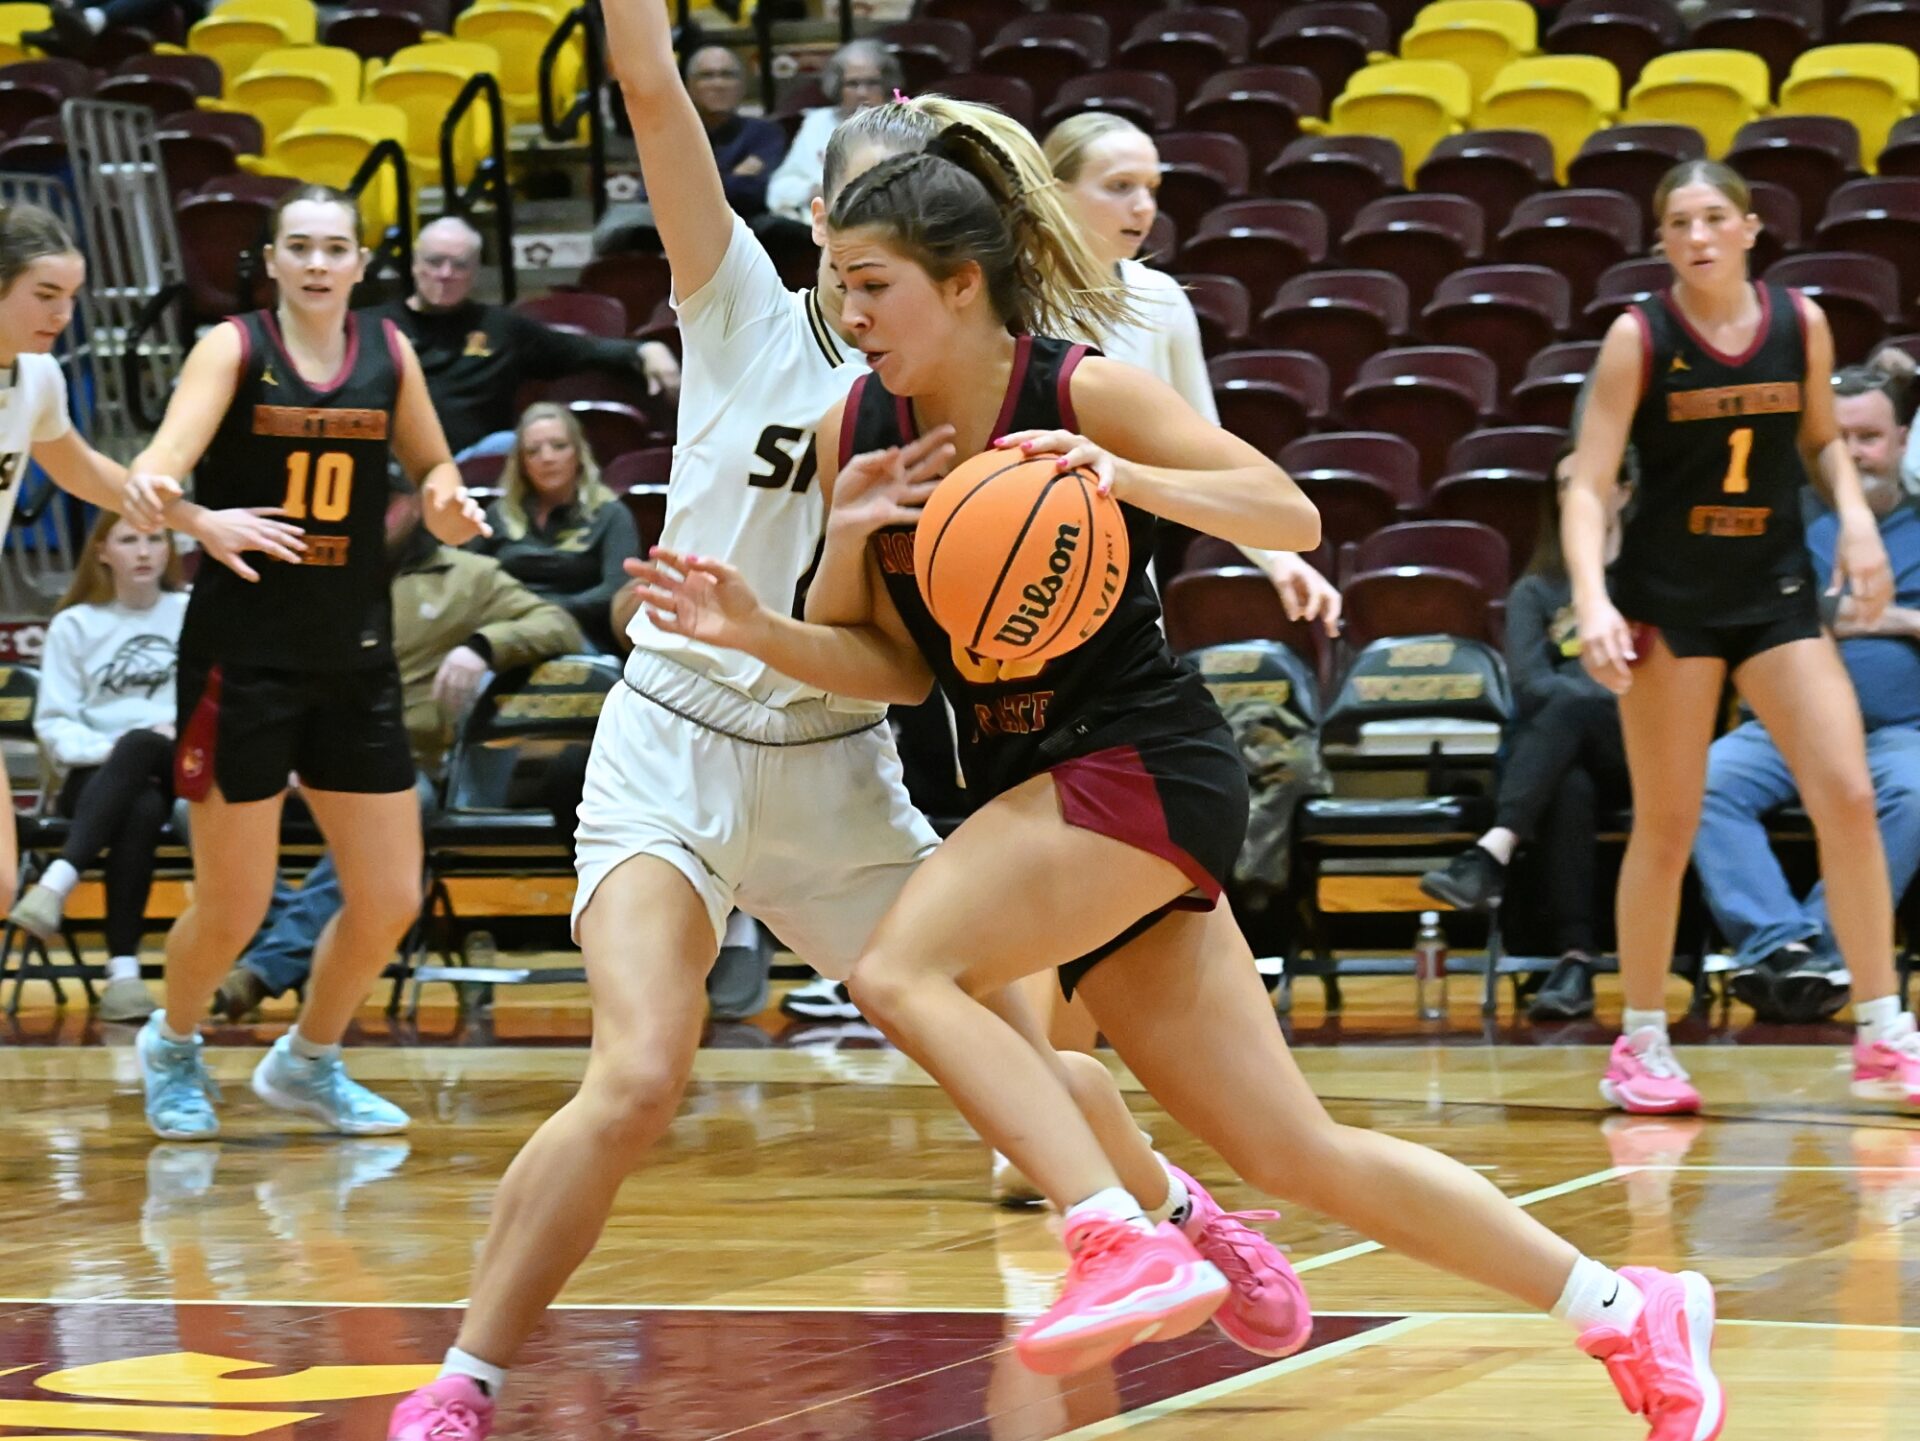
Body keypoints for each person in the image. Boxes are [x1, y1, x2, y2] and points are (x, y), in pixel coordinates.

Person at [630, 129, 1723, 1433]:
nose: (846, 311)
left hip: (1144, 756)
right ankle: (1622, 1306)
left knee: (905, 971)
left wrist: (1125, 473)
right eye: (839, 283)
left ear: (962, 283)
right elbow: (892, 666)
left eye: (873, 285)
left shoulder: (1081, 390)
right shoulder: (854, 425)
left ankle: (1119, 1229)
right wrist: (762, 623)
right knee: (1291, 1150)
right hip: (1037, 779)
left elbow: (1291, 516)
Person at [384, 6, 1308, 1433]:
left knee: (1023, 1052)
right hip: (676, 736)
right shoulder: (746, 305)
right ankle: (466, 1378)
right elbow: (645, 87)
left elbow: (927, 627)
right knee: (635, 1073)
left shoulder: (967, 372)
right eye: (842, 226)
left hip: (834, 758)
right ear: (816, 217)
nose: (860, 271)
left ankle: (1171, 1208)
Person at [124, 183, 490, 1143]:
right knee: (236, 903)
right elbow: (158, 468)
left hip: (354, 656)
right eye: (301, 247)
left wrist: (448, 501)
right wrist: (193, 510)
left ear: (362, 264)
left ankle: (310, 1060)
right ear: (274, 261)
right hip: (240, 660)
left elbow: (436, 465)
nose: (320, 263)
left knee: (389, 898)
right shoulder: (233, 348)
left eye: (337, 247)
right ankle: (172, 1042)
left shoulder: (389, 350)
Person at [1563, 159, 1920, 1115]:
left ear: (1751, 226)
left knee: (1847, 792)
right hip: (1668, 602)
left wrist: (1849, 514)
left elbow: (1817, 442)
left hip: (1773, 591)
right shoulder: (1639, 337)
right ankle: (1640, 1040)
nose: (1698, 235)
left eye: (1715, 216)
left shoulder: (1799, 322)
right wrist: (1593, 599)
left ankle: (1882, 1028)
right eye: (1678, 221)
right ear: (1662, 239)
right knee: (1669, 821)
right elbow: (1588, 483)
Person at [0, 200, 287, 924]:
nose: (63, 314)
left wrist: (195, 520)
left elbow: (86, 471)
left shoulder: (36, 380)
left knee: (2, 885)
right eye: (44, 295)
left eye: (71, 296)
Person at [212, 472, 585, 1020]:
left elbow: (558, 625)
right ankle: (302, 954)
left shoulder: (469, 576)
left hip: (402, 764)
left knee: (404, 808)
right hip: (307, 756)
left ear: (414, 505)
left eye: (384, 503)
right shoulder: (314, 571)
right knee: (196, 805)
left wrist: (484, 645)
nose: (371, 515)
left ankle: (266, 970)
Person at [1692, 365, 1920, 1022]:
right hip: (1782, 726)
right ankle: (1782, 944)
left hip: (1897, 732)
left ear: (1901, 439)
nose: (1853, 453)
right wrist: (1884, 613)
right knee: (1703, 781)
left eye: (1870, 436)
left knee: (1912, 792)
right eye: (1839, 436)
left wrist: (1876, 615)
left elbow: (1810, 611)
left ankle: (1818, 951)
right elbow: (1750, 606)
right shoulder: (1777, 521)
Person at [1421, 466, 1629, 1022]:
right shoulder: (1537, 589)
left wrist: (1587, 700)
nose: (1574, 495)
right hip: (1563, 755)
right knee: (1571, 787)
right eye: (1562, 485)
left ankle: (1494, 848)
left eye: (1586, 480)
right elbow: (1528, 684)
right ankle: (1574, 961)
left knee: (1572, 706)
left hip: (1636, 746)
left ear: (1626, 492)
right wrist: (1587, 695)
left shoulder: (1647, 581)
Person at [9, 512, 186, 1022]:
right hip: (97, 779)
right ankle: (124, 978)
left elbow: (215, 700)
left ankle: (55, 885)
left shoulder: (191, 612)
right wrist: (117, 753)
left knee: (146, 755)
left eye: (156, 539)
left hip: (181, 769)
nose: (145, 551)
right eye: (129, 540)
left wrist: (162, 738)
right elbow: (56, 724)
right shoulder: (75, 624)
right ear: (103, 552)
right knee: (139, 802)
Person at [367, 216, 679, 461]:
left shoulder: (501, 328)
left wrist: (647, 350)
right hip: (395, 467)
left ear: (475, 271)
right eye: (435, 261)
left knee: (514, 445)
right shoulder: (372, 327)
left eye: (459, 264)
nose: (445, 273)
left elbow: (582, 350)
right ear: (414, 264)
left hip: (478, 465)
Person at [471, 404, 637, 653]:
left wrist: (542, 611)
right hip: (507, 630)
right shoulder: (499, 514)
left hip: (583, 632)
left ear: (579, 453)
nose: (547, 458)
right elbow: (471, 577)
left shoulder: (612, 513)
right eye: (533, 451)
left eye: (559, 446)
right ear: (522, 463)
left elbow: (618, 588)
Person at [594, 44, 789, 256]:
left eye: (727, 75)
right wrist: (734, 177)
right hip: (676, 227)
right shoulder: (666, 135)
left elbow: (758, 192)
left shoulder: (766, 133)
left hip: (744, 225)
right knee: (621, 224)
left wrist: (692, 184)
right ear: (688, 86)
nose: (718, 84)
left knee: (782, 229)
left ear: (742, 86)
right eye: (707, 76)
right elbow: (651, 194)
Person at [765, 39, 901, 222]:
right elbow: (778, 190)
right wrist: (815, 191)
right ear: (838, 87)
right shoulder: (817, 123)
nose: (862, 93)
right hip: (816, 228)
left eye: (872, 83)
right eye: (852, 84)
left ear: (886, 85)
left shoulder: (903, 124)